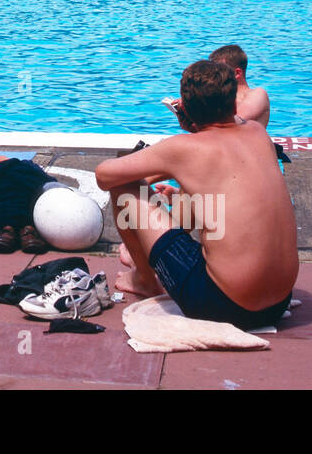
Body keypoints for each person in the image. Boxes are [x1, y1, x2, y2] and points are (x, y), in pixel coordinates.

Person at [95, 60, 298, 330]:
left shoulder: (183, 149)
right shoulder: (258, 133)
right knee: (201, 186)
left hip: (224, 305)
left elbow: (104, 175)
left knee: (124, 188)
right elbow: (220, 142)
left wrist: (174, 149)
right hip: (278, 302)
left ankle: (144, 279)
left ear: (186, 108)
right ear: (233, 102)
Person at [208, 44, 270, 127]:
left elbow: (235, 122)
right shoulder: (217, 97)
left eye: (218, 72)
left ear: (237, 73)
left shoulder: (257, 94)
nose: (212, 76)